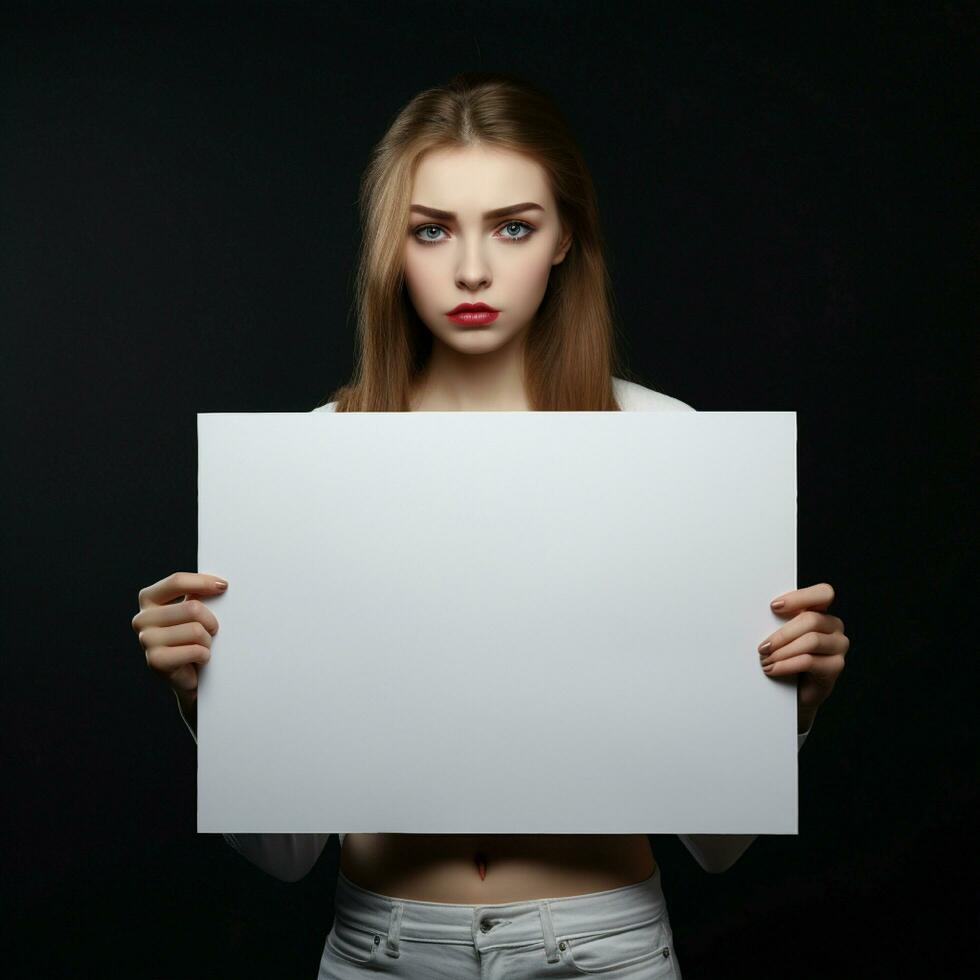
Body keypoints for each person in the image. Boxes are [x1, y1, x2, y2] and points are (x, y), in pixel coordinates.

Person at [132, 71, 849, 979]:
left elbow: (720, 844)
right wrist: (208, 697)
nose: (472, 269)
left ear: (563, 241)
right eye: (431, 230)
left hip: (603, 944)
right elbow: (284, 853)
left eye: (514, 226)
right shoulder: (316, 458)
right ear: (394, 248)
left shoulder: (669, 445)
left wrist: (788, 709)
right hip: (384, 945)